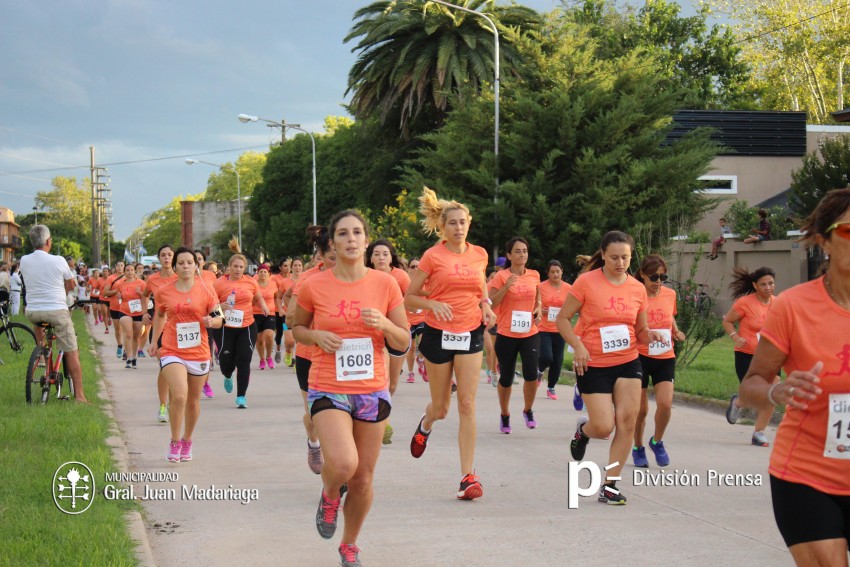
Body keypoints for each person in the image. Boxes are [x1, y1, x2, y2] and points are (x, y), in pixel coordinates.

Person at [290, 210, 409, 567]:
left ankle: (349, 545)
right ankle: (329, 494)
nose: (352, 239)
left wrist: (386, 323)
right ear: (333, 243)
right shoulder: (313, 285)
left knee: (362, 479)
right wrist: (314, 336)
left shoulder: (385, 284)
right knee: (343, 464)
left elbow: (403, 340)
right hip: (328, 385)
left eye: (358, 233)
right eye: (343, 234)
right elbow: (296, 328)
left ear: (367, 240)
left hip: (372, 389)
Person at [738, 188, 850, 566]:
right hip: (808, 475)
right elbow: (751, 386)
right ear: (825, 240)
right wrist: (777, 392)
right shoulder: (794, 306)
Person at [556, 230, 664, 505]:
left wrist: (649, 335)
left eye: (625, 257)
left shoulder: (637, 288)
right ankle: (584, 431)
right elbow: (563, 319)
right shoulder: (586, 283)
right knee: (604, 426)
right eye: (614, 257)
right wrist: (578, 345)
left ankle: (610, 485)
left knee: (627, 420)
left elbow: (639, 329)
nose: (620, 262)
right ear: (602, 255)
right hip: (593, 362)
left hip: (628, 360)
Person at [405, 187, 496, 500]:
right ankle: (426, 422)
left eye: (463, 222)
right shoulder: (432, 256)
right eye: (452, 223)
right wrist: (432, 306)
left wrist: (485, 304)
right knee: (443, 408)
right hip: (438, 334)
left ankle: (467, 476)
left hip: (470, 331)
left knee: (467, 403)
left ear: (469, 223)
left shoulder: (479, 254)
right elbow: (410, 298)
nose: (458, 227)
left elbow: (480, 286)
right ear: (443, 228)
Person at [148, 247, 224, 462]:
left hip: (198, 350)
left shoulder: (206, 288)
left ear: (196, 265)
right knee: (179, 395)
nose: (185, 266)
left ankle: (187, 440)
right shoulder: (164, 291)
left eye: (189, 262)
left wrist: (213, 321)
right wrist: (155, 341)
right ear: (175, 267)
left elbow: (220, 318)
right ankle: (174, 441)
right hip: (172, 349)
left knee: (192, 401)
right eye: (180, 263)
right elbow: (160, 315)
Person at [285, 228, 336, 475]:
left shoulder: (360, 276)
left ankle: (338, 468)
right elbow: (292, 317)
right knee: (315, 415)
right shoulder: (308, 279)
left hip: (343, 357)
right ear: (322, 254)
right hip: (310, 355)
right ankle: (314, 443)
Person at [19, 225, 88, 402]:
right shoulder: (59, 260)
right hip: (56, 311)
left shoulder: (24, 260)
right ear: (49, 241)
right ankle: (80, 396)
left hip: (33, 312)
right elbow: (72, 284)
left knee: (40, 319)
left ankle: (42, 352)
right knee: (72, 351)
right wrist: (63, 294)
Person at [631, 255, 686, 468]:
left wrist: (676, 330)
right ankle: (638, 447)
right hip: (640, 356)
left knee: (665, 404)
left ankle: (657, 441)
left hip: (665, 356)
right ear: (643, 275)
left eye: (663, 277)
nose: (659, 281)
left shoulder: (670, 294)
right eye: (654, 276)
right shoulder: (635, 295)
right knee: (641, 410)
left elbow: (669, 316)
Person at [489, 237, 542, 433]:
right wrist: (506, 287)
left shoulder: (534, 275)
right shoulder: (501, 276)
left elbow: (538, 296)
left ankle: (528, 410)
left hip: (530, 332)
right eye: (517, 251)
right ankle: (504, 414)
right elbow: (492, 303)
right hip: (506, 333)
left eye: (525, 251)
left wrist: (539, 306)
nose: (522, 254)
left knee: (531, 374)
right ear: (509, 255)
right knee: (506, 378)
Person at [723, 266, 778, 446]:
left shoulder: (778, 304)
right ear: (755, 285)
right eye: (763, 284)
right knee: (755, 395)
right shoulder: (745, 303)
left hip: (771, 356)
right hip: (747, 355)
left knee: (772, 393)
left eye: (771, 283)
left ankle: (759, 433)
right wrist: (735, 337)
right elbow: (728, 321)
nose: (768, 287)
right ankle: (739, 402)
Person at [366, 238, 411, 444]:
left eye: (385, 254)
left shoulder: (400, 276)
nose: (381, 257)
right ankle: (383, 422)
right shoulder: (365, 276)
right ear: (371, 258)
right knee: (380, 380)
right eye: (377, 254)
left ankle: (381, 413)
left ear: (391, 257)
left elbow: (410, 299)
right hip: (373, 335)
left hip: (395, 333)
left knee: (391, 385)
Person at [213, 253, 269, 408]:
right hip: (225, 327)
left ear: (244, 268)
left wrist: (263, 306)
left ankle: (241, 396)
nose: (238, 269)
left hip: (247, 325)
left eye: (241, 267)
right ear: (229, 267)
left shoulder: (251, 282)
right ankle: (227, 375)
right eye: (235, 266)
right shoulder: (219, 283)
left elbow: (257, 297)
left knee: (244, 359)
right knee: (226, 363)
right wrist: (220, 307)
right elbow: (210, 304)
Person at [143, 245, 178, 422]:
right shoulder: (152, 279)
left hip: (179, 328)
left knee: (178, 369)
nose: (166, 258)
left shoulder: (181, 277)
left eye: (169, 255)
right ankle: (163, 405)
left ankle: (174, 403)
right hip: (160, 327)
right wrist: (144, 312)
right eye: (163, 255)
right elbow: (145, 295)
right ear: (158, 258)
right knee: (166, 367)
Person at [538, 260, 571, 400]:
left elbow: (572, 307)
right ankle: (539, 370)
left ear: (562, 271)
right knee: (547, 356)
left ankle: (551, 387)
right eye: (552, 272)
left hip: (561, 328)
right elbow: (535, 306)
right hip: (544, 327)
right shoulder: (540, 287)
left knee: (558, 360)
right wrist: (541, 311)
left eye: (558, 271)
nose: (555, 274)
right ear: (548, 273)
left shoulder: (569, 288)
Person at [194, 249, 219, 399]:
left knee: (206, 353)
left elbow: (216, 295)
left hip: (206, 319)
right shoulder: (182, 278)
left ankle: (205, 382)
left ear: (204, 261)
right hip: (187, 321)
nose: (197, 262)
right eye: (193, 259)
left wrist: (218, 314)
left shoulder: (210, 276)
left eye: (199, 259)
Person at [114, 263, 146, 369]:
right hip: (125, 311)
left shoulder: (141, 283)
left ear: (135, 271)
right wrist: (119, 296)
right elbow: (118, 297)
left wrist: (140, 293)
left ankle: (134, 357)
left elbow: (146, 297)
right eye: (127, 270)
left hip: (138, 311)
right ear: (124, 272)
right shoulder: (120, 284)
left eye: (132, 270)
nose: (130, 272)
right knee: (128, 333)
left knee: (136, 336)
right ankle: (128, 357)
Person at [253, 263, 280, 370]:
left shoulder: (273, 284)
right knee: (259, 340)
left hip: (270, 314)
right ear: (257, 273)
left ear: (268, 274)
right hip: (255, 314)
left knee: (269, 335)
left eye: (265, 272)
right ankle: (262, 359)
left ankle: (269, 357)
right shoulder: (254, 284)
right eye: (261, 272)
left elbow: (276, 297)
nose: (263, 273)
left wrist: (278, 308)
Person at [102, 261, 126, 359]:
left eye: (122, 265)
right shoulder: (111, 278)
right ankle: (120, 345)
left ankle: (126, 350)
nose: (120, 267)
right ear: (115, 267)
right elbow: (105, 292)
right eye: (118, 265)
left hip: (126, 307)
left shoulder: (128, 277)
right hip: (115, 306)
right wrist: (116, 290)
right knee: (118, 329)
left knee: (126, 329)